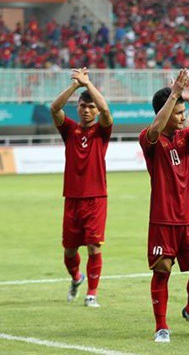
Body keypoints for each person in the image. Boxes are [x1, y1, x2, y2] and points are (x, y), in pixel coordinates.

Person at [139, 69, 189, 343]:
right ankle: (161, 326)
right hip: (162, 219)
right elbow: (156, 129)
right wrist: (174, 96)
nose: (183, 117)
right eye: (179, 112)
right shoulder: (149, 138)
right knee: (163, 269)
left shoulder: (187, 138)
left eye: (184, 112)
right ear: (166, 112)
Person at [51, 67, 113, 308]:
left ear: (95, 111)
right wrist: (75, 86)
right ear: (78, 109)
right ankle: (77, 278)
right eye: (83, 107)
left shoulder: (102, 131)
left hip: (96, 198)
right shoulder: (70, 130)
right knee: (69, 251)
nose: (87, 110)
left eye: (91, 107)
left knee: (94, 247)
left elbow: (107, 110)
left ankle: (92, 293)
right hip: (72, 199)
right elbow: (55, 108)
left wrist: (88, 85)